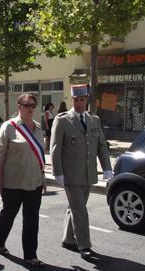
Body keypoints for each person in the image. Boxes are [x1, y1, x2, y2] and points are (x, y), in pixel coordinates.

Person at [50, 84, 113, 261]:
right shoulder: (62, 120)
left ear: (87, 100)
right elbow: (55, 148)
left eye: (82, 100)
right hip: (70, 175)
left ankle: (68, 238)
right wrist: (58, 172)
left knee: (75, 208)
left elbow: (101, 145)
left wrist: (107, 167)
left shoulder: (94, 120)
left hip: (88, 174)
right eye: (76, 100)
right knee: (80, 210)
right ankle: (84, 245)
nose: (79, 103)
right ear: (72, 100)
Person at [0, 93, 46, 267]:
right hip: (13, 183)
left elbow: (40, 157)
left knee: (32, 220)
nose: (30, 108)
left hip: (34, 182)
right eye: (27, 105)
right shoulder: (9, 127)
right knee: (9, 214)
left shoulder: (38, 128)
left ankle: (30, 254)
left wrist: (43, 178)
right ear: (19, 106)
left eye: (33, 105)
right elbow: (0, 156)